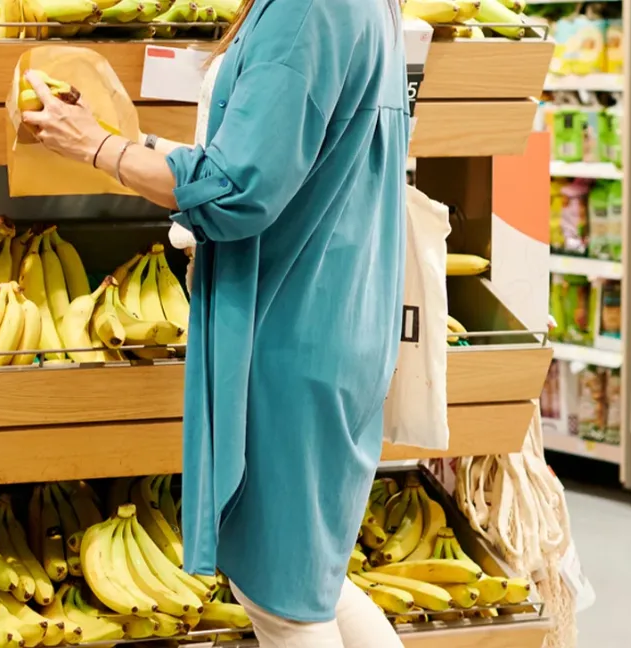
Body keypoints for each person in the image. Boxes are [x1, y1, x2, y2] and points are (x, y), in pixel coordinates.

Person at [21, 0, 409, 644]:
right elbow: (277, 156)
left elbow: (237, 188)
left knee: (282, 601)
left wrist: (98, 148)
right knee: (311, 577)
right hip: (336, 316)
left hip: (286, 327)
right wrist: (135, 144)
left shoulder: (305, 10)